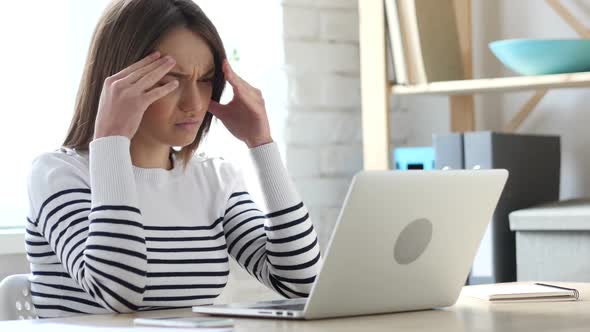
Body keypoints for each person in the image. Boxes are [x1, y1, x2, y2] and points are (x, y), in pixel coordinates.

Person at [25, 0, 321, 318]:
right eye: (172, 80)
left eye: (206, 79)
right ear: (118, 82)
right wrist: (110, 140)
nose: (194, 103)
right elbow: (117, 291)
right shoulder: (58, 174)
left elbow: (302, 282)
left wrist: (261, 144)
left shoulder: (213, 178)